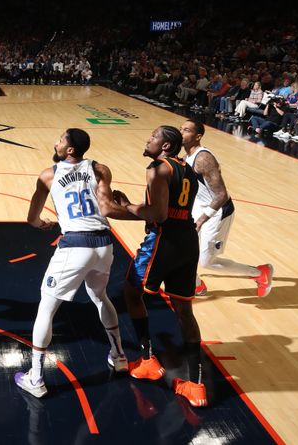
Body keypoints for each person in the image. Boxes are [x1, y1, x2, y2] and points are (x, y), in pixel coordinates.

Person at [14, 128, 132, 399]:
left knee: (47, 307)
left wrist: (41, 224)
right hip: (104, 243)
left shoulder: (48, 175)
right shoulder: (101, 169)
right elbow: (105, 205)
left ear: (69, 150)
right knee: (100, 296)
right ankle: (119, 355)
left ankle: (36, 378)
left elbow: (32, 218)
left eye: (60, 140)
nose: (55, 142)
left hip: (75, 246)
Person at [114, 126, 206, 407]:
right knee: (184, 310)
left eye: (153, 137)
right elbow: (172, 206)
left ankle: (147, 361)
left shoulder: (156, 169)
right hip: (188, 241)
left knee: (131, 292)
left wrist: (128, 206)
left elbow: (159, 213)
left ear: (166, 146)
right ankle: (196, 386)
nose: (147, 139)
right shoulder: (186, 169)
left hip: (163, 242)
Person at [180, 120, 273, 297]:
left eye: (186, 130)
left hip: (217, 211)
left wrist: (201, 219)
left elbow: (221, 195)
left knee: (207, 262)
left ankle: (260, 273)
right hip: (198, 208)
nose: (181, 132)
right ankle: (196, 286)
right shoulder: (186, 158)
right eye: (180, 129)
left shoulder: (203, 159)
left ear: (198, 136)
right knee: (181, 248)